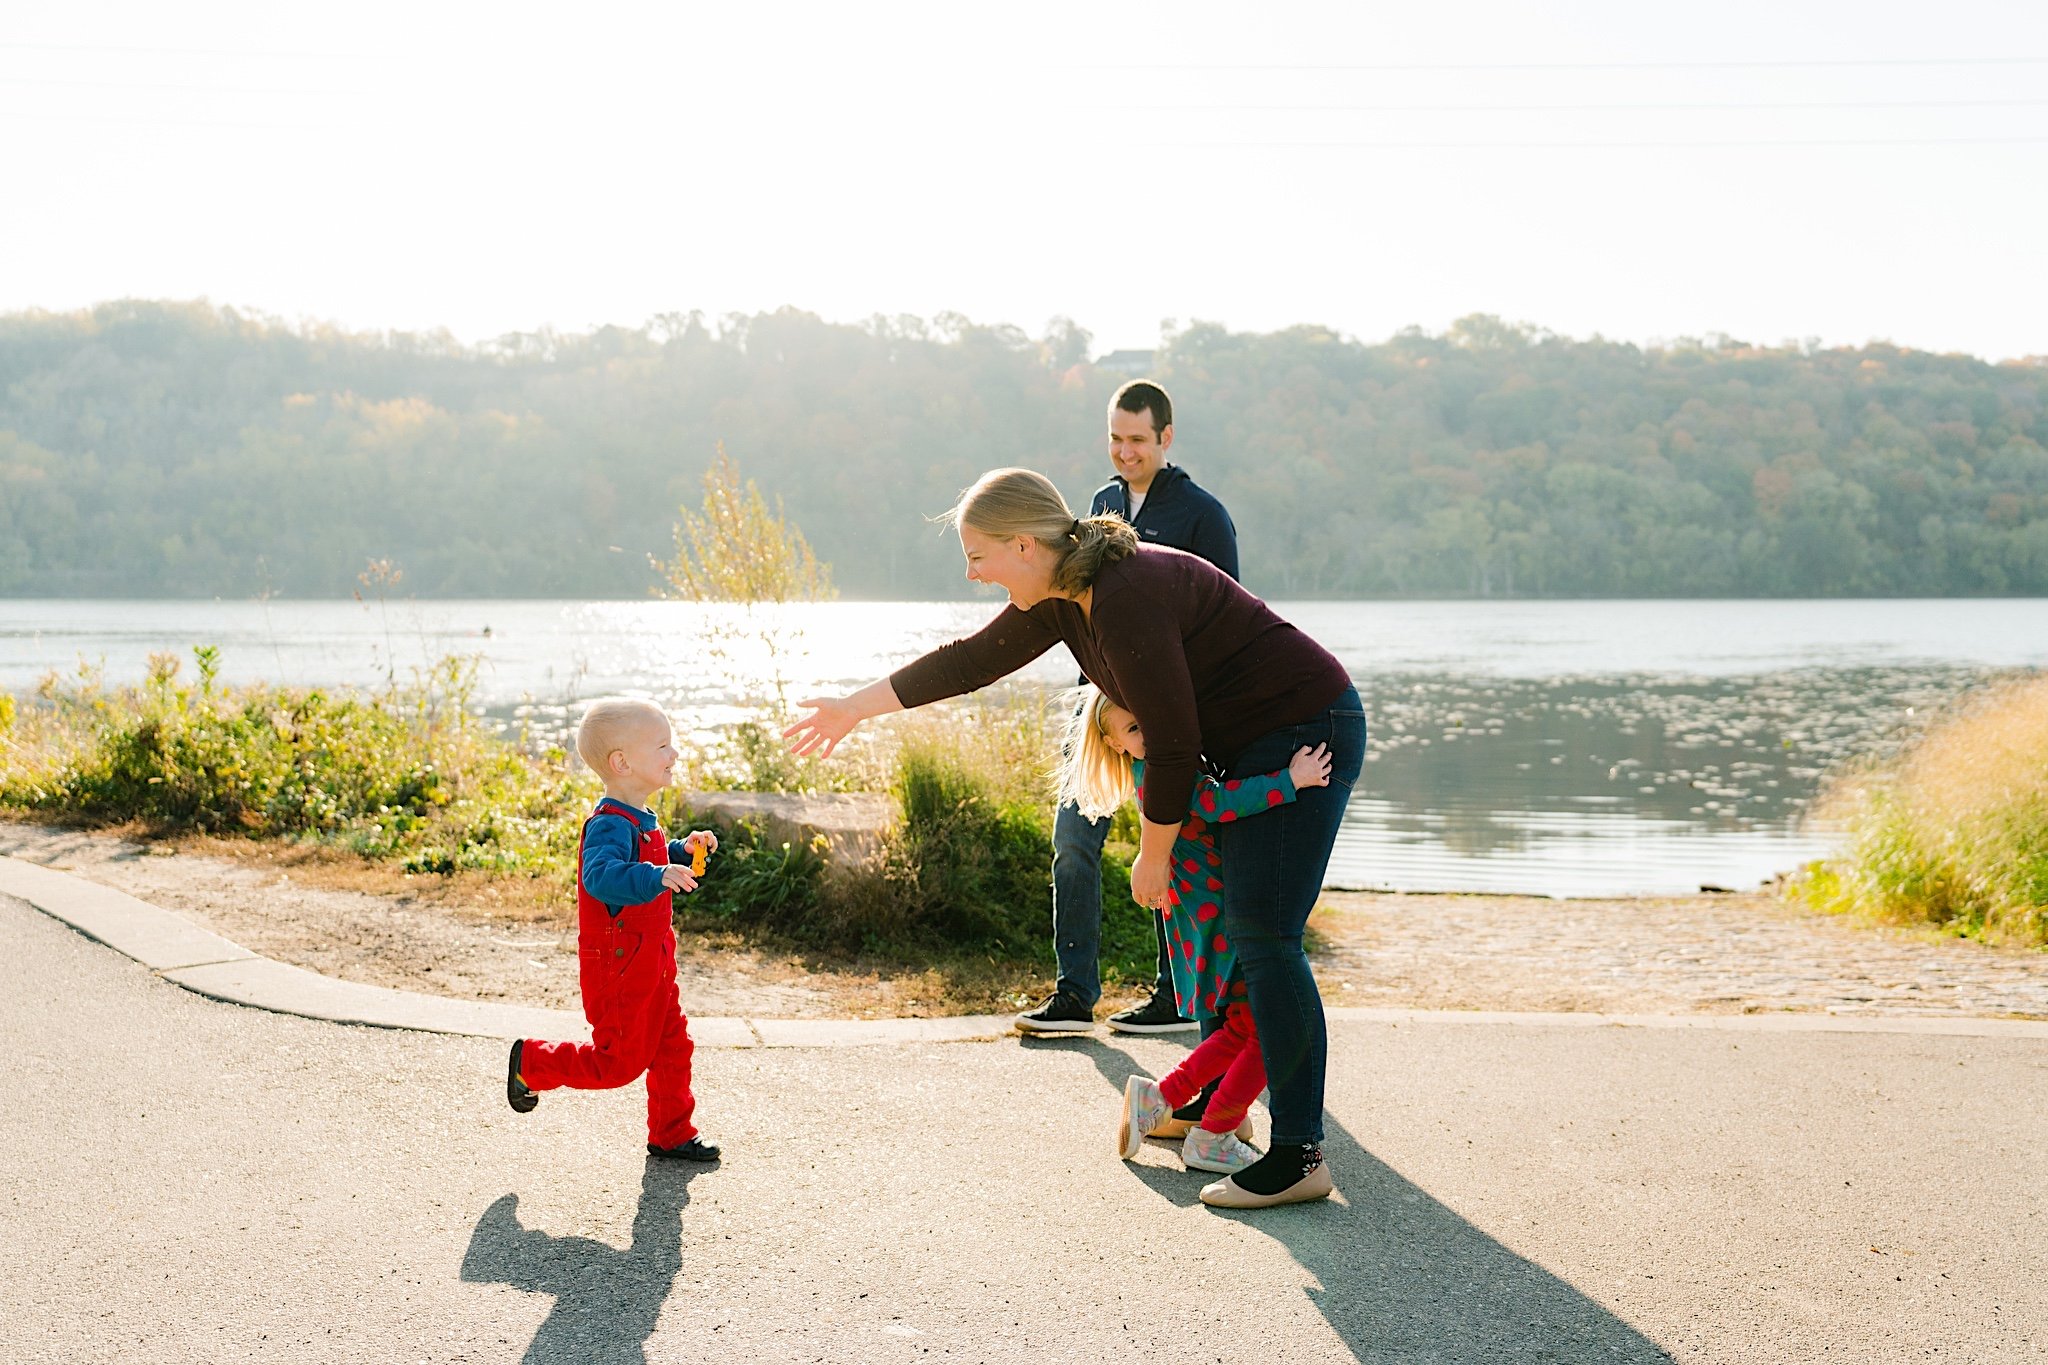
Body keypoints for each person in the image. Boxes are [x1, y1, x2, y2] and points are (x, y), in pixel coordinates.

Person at [784, 468, 1364, 1209]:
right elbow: (969, 661)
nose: (972, 573)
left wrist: (1152, 858)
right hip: (1251, 746)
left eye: (977, 555)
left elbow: (1177, 744)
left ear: (1025, 545)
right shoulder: (1068, 597)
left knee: (1267, 936)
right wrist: (853, 708)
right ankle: (1199, 1109)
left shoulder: (1123, 597)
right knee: (1249, 935)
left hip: (1303, 731)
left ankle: (1298, 1153)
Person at [1034, 378, 1241, 1040]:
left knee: (1168, 846)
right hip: (1095, 703)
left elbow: (1225, 616)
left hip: (1165, 709)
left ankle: (1176, 994)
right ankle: (1074, 993)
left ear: (1166, 438)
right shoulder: (1097, 506)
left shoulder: (1204, 515)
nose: (1124, 451)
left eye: (1137, 440)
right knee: (1073, 841)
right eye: (1115, 439)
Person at [1060, 687, 1333, 1175]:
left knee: (1244, 1026)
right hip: (1220, 916)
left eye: (1148, 716)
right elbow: (1220, 803)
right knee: (1270, 1030)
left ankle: (1163, 1100)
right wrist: (1290, 779)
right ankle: (1212, 1133)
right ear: (1115, 742)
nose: (1148, 730)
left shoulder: (1155, 766)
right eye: (1133, 728)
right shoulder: (1166, 773)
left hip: (1209, 911)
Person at [507, 698, 722, 1162]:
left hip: (654, 962)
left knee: (672, 1047)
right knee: (616, 1063)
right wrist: (657, 876)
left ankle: (671, 1133)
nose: (674, 754)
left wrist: (683, 852)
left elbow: (649, 863)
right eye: (663, 746)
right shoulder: (607, 824)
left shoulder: (641, 818)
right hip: (621, 968)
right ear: (621, 763)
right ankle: (533, 1063)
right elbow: (601, 876)